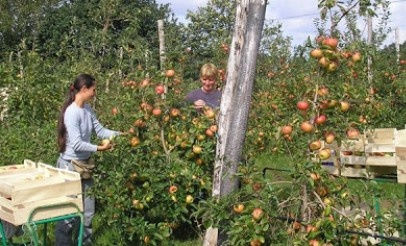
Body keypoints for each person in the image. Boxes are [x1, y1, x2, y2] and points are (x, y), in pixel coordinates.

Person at [55, 74, 120, 245]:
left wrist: (123, 135)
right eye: (93, 89)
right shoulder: (72, 113)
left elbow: (100, 131)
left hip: (84, 167)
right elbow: (76, 144)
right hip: (69, 167)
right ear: (84, 89)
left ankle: (85, 243)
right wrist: (100, 148)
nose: (94, 93)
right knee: (68, 215)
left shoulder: (88, 109)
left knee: (88, 212)